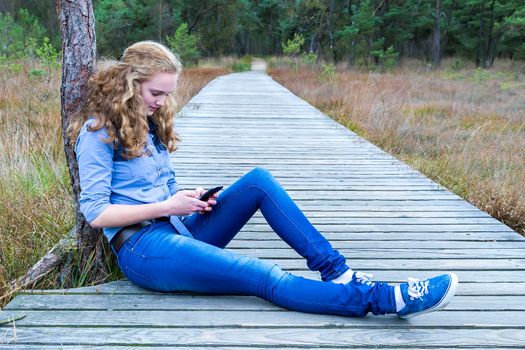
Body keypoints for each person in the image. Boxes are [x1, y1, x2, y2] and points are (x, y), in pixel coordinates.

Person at [69, 40, 458, 319]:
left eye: (167, 95)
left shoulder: (148, 125)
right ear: (129, 83)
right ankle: (383, 300)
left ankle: (337, 272)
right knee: (261, 274)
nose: (161, 102)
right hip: (143, 250)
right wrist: (169, 206)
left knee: (258, 181)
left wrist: (188, 198)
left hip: (177, 228)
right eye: (156, 93)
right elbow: (97, 214)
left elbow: (163, 188)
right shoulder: (97, 132)